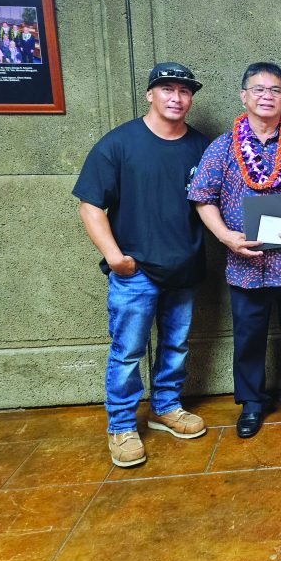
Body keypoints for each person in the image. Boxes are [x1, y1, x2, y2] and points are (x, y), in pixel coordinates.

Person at [188, 62, 281, 438]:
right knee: (249, 337)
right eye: (258, 89)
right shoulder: (222, 147)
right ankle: (252, 403)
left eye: (274, 90)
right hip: (246, 263)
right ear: (243, 96)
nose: (267, 96)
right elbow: (202, 197)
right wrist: (225, 236)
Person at [73, 62, 210, 468]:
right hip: (136, 273)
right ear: (149, 94)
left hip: (184, 268)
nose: (176, 97)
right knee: (128, 351)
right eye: (166, 89)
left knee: (176, 345)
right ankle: (121, 426)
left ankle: (166, 408)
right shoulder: (118, 144)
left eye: (184, 91)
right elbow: (90, 206)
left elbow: (216, 203)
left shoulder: (201, 147)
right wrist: (116, 258)